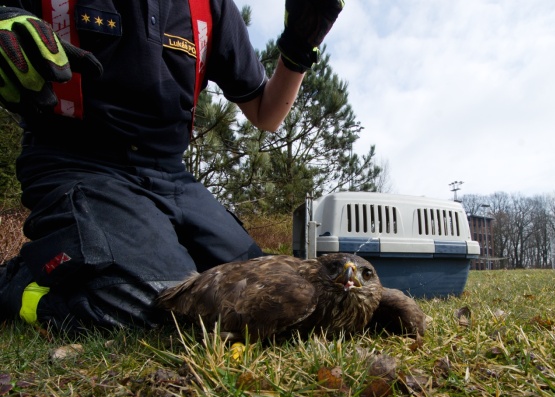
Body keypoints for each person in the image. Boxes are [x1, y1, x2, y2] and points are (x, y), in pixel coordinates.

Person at [0, 0, 344, 333]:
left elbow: (266, 113)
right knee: (161, 308)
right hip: (77, 161)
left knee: (275, 294)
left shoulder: (211, 7)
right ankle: (18, 283)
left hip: (172, 177)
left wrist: (299, 47)